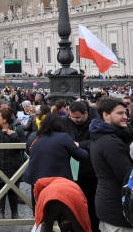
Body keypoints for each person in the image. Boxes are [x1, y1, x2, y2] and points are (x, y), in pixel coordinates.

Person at [23, 113, 88, 208]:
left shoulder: (33, 136)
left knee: (39, 209)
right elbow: (82, 156)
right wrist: (79, 145)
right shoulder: (64, 137)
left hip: (37, 179)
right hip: (58, 180)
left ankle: (40, 222)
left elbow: (29, 152)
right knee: (61, 210)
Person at [90, 97, 133, 231]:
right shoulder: (111, 142)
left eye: (126, 113)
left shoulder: (100, 135)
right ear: (106, 115)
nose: (125, 117)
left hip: (108, 204)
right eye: (120, 113)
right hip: (117, 209)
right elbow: (127, 176)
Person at [64, 100, 100, 232]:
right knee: (73, 205)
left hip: (90, 171)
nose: (74, 120)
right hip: (71, 172)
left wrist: (80, 145)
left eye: (78, 117)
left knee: (91, 205)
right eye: (72, 117)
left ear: (86, 114)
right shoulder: (66, 121)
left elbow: (98, 141)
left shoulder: (96, 122)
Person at [0, 107, 24, 219]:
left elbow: (23, 146)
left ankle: (14, 213)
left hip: (13, 165)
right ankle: (0, 213)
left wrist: (14, 136)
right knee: (0, 190)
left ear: (5, 120)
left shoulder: (17, 129)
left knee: (13, 191)